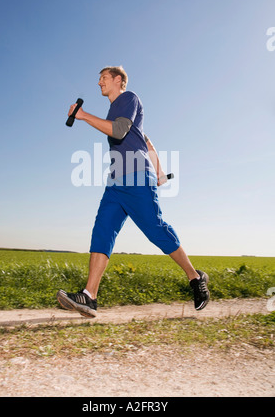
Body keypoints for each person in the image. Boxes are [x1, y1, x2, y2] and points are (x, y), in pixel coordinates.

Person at [57, 66, 210, 318]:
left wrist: (82, 115)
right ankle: (90, 296)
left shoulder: (129, 98)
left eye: (103, 78)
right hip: (116, 183)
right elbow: (146, 141)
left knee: (155, 229)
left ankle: (195, 278)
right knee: (102, 230)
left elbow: (118, 131)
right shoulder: (118, 109)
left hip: (137, 176)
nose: (99, 83)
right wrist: (160, 173)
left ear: (118, 80)